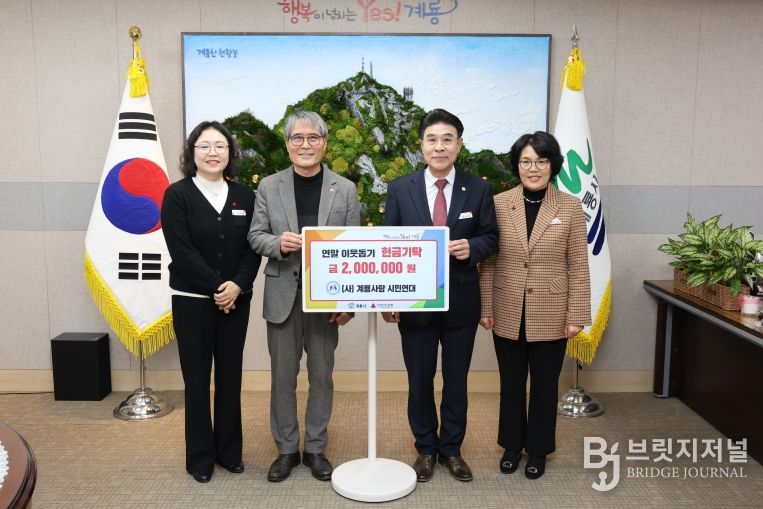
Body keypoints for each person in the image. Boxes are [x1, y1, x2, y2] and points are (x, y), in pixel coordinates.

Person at [382, 109, 498, 482]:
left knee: (456, 381)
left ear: (459, 145)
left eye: (447, 139)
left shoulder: (478, 189)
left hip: (461, 301)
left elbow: (491, 237)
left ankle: (451, 449)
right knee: (419, 380)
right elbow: (389, 245)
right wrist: (389, 301)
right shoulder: (400, 189)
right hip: (414, 303)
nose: (439, 147)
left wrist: (473, 248)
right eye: (432, 139)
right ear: (422, 145)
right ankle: (425, 449)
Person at [248, 110, 361, 482]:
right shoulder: (269, 186)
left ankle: (315, 448)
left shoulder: (344, 188)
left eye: (313, 137)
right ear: (287, 144)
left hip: (327, 300)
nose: (305, 144)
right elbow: (255, 236)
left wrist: (348, 305)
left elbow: (354, 249)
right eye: (297, 137)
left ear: (325, 143)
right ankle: (285, 450)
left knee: (322, 377)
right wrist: (278, 243)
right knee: (282, 379)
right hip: (283, 296)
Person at [479, 131, 591, 479]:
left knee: (544, 387)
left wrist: (577, 315)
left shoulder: (569, 206)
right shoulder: (499, 203)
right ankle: (512, 445)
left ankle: (538, 449)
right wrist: (486, 307)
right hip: (507, 306)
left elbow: (578, 264)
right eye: (525, 161)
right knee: (511, 385)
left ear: (552, 165)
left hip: (553, 311)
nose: (533, 168)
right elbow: (488, 262)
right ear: (516, 165)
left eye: (541, 161)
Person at [161, 121, 261, 483]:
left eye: (220, 146)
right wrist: (220, 288)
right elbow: (181, 250)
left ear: (230, 153)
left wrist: (238, 286)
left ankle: (230, 452)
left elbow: (253, 248)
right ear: (192, 153)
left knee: (231, 377)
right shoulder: (177, 195)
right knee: (197, 380)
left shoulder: (245, 196)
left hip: (237, 300)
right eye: (204, 146)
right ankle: (200, 457)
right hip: (192, 302)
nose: (213, 152)